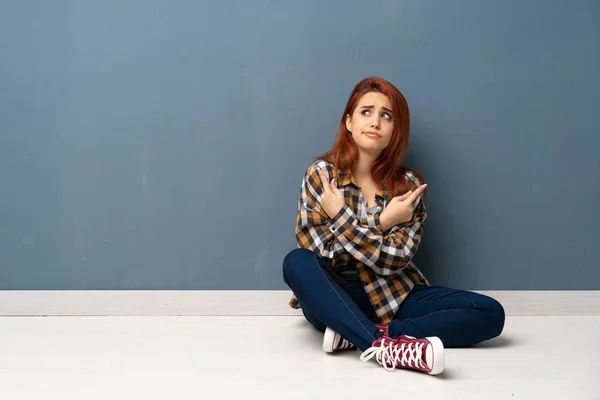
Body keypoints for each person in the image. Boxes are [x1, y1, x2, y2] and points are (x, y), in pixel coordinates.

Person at [282, 77, 505, 376]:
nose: (375, 121)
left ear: (394, 131)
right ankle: (383, 343)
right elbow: (322, 252)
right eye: (366, 112)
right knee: (296, 262)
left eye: (386, 116)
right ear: (348, 122)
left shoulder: (408, 186)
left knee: (491, 312)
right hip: (334, 295)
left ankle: (368, 336)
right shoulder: (321, 175)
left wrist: (341, 219)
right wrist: (383, 221)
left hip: (394, 296)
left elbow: (395, 260)